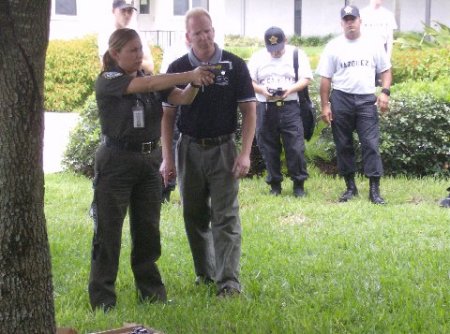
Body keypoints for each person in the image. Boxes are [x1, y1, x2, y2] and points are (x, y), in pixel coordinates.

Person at [88, 28, 214, 312]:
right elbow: (144, 87)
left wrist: (196, 83)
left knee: (148, 230)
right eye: (132, 50)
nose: (138, 55)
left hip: (148, 161)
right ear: (115, 53)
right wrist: (189, 74)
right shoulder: (109, 80)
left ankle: (152, 293)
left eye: (140, 49)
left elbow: (182, 98)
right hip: (115, 162)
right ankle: (103, 299)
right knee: (108, 231)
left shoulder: (149, 78)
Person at [160, 8, 256, 297]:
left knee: (226, 216)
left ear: (214, 30)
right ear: (187, 36)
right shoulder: (177, 68)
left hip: (224, 148)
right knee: (194, 215)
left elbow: (250, 110)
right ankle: (206, 272)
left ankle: (228, 282)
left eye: (208, 30)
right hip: (188, 148)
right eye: (197, 32)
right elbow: (167, 116)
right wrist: (167, 157)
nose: (204, 37)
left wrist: (245, 153)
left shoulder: (235, 65)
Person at [316, 5, 392, 205]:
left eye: (353, 19)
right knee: (343, 144)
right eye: (346, 20)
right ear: (342, 23)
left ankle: (374, 191)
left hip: (367, 99)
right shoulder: (333, 46)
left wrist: (384, 92)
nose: (350, 23)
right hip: (341, 99)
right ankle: (350, 188)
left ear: (360, 21)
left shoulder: (373, 43)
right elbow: (325, 79)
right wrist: (325, 106)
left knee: (371, 144)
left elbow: (386, 70)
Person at [247, 27, 312, 197]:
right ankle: (274, 184)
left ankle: (299, 184)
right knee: (268, 146)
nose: (275, 53)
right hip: (265, 108)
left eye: (278, 49)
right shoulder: (257, 57)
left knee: (295, 147)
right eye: (272, 50)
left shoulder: (297, 54)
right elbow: (249, 80)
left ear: (286, 41)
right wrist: (261, 90)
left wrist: (290, 89)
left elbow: (306, 78)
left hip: (290, 107)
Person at [97, 0, 154, 73]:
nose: (127, 14)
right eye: (123, 10)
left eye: (130, 11)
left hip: (138, 81)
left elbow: (150, 67)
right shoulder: (106, 34)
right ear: (113, 11)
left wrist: (126, 60)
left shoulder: (137, 34)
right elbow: (106, 66)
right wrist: (136, 63)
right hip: (117, 82)